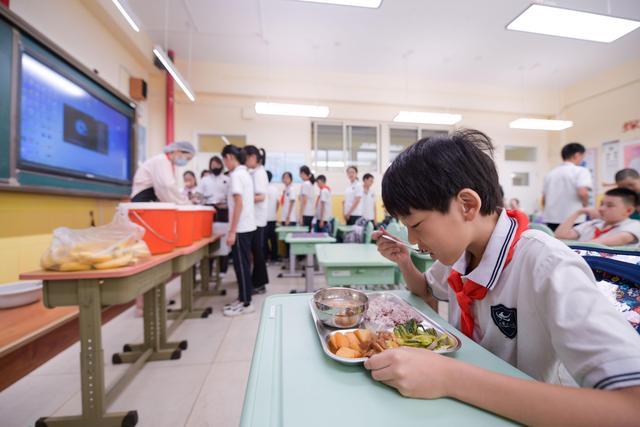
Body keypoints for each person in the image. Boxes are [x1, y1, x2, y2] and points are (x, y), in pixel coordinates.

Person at [369, 129, 640, 426]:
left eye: (416, 225)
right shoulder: (461, 251)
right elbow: (425, 289)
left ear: (467, 205)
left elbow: (631, 407)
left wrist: (449, 378)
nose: (413, 239)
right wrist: (405, 261)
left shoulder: (547, 264)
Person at [221, 145, 256, 317]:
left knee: (241, 266)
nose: (224, 164)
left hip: (241, 228)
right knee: (243, 265)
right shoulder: (245, 174)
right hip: (247, 226)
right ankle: (242, 297)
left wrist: (232, 231)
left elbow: (239, 204)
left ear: (229, 157)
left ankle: (246, 302)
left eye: (224, 160)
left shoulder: (236, 175)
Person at [554, 188, 640, 246]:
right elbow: (560, 236)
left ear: (628, 210)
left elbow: (620, 239)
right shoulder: (593, 223)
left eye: (609, 205)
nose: (601, 208)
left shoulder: (634, 225)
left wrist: (569, 247)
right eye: (602, 204)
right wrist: (579, 212)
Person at [542, 142, 592, 231]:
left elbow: (544, 199)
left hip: (551, 219)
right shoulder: (581, 171)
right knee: (572, 244)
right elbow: (582, 192)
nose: (582, 160)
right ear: (576, 155)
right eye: (582, 157)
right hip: (573, 219)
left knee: (555, 243)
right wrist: (587, 207)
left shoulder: (550, 173)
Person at [130, 141, 196, 203]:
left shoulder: (165, 162)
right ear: (177, 151)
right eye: (187, 158)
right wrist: (183, 202)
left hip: (147, 196)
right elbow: (167, 185)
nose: (186, 162)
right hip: (143, 197)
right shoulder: (161, 160)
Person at [198, 155, 231, 275]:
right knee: (209, 241)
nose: (215, 166)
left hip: (223, 211)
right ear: (210, 166)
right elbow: (199, 194)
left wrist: (226, 204)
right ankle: (209, 271)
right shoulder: (205, 180)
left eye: (218, 164)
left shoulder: (227, 179)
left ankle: (223, 270)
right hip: (208, 211)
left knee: (223, 242)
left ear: (222, 165)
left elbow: (231, 198)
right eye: (213, 164)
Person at [245, 145, 270, 294]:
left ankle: (259, 283)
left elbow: (261, 196)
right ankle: (258, 282)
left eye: (247, 158)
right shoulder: (255, 173)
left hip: (258, 219)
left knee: (258, 252)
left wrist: (244, 199)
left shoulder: (260, 173)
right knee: (256, 251)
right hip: (255, 218)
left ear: (254, 158)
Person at [265, 170, 280, 262]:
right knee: (273, 239)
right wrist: (274, 211)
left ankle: (266, 257)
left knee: (263, 240)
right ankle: (274, 257)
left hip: (263, 219)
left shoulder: (261, 188)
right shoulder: (274, 189)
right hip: (272, 218)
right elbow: (278, 202)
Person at [298, 165, 316, 230]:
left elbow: (304, 201)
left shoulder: (305, 184)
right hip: (310, 213)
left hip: (306, 214)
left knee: (304, 235)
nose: (299, 175)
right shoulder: (310, 184)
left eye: (299, 173)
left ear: (302, 173)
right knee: (308, 235)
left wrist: (300, 216)